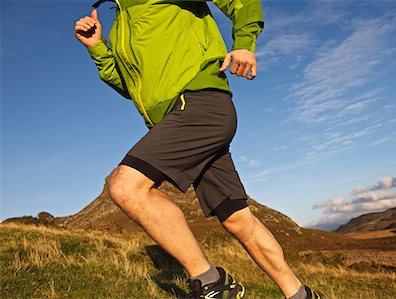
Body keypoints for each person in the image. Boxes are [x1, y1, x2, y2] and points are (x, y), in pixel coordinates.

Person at [74, 0, 321, 298]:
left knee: (126, 186)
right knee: (237, 218)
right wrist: (98, 46)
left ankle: (210, 282)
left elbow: (240, 3)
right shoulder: (122, 21)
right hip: (179, 117)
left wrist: (244, 44)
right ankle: (300, 294)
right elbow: (130, 85)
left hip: (199, 102)